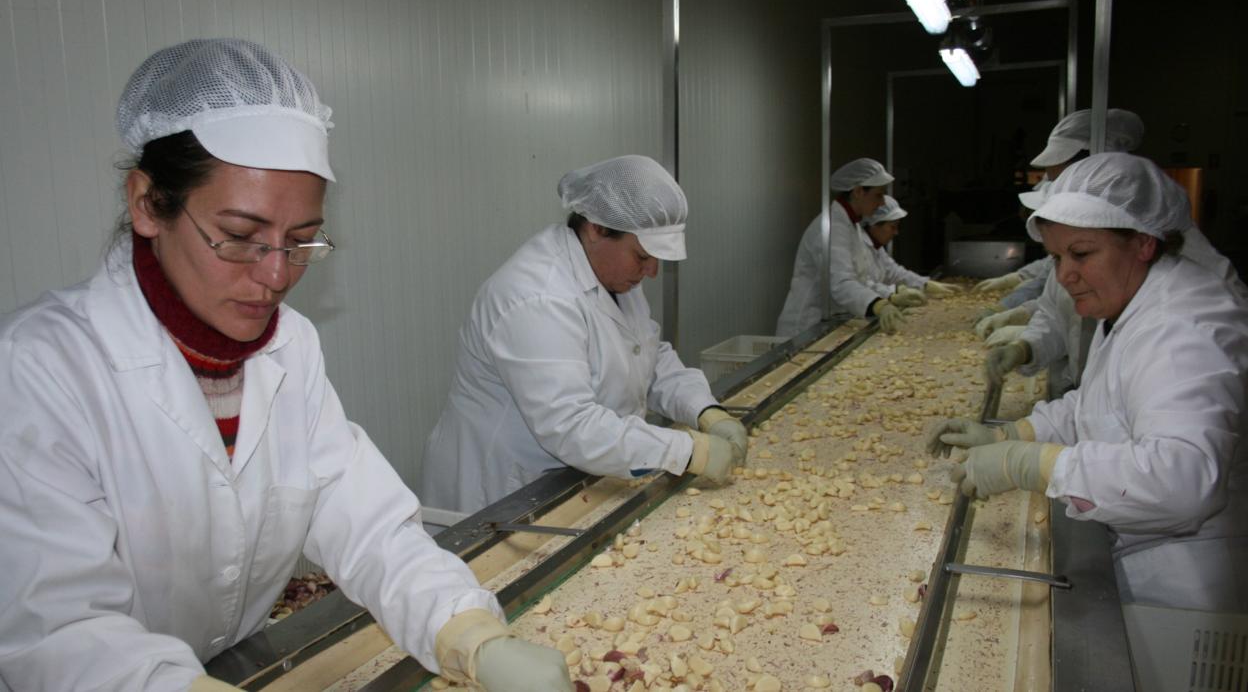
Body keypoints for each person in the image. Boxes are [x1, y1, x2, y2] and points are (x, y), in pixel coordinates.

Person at [0, 39, 570, 692]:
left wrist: (467, 632)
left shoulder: (287, 348)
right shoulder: (39, 369)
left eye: (301, 242)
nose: (276, 275)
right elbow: (59, 631)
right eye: (240, 236)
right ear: (147, 204)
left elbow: (365, 523)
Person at [928, 153, 1248, 613]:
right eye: (1056, 257)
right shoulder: (1134, 299)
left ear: (1143, 242)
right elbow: (1098, 406)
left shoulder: (1182, 328)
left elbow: (1184, 481)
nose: (1064, 275)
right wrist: (1012, 434)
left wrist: (1037, 465)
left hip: (1182, 584)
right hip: (1143, 549)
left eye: (1081, 254)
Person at [421, 155, 748, 514]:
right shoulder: (537, 297)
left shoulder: (612, 275)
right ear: (596, 228)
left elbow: (645, 355)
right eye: (642, 256)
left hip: (572, 480)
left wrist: (704, 409)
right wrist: (687, 452)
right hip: (506, 491)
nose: (652, 271)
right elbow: (572, 426)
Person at [975, 108, 1146, 392]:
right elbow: (1057, 313)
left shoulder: (1174, 300)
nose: (1065, 274)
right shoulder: (1079, 246)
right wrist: (1026, 347)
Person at [775, 158, 960, 338]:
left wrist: (918, 286)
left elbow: (863, 278)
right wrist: (878, 304)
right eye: (878, 195)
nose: (881, 203)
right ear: (858, 192)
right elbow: (841, 284)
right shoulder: (832, 228)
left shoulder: (851, 225)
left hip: (827, 323)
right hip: (806, 327)